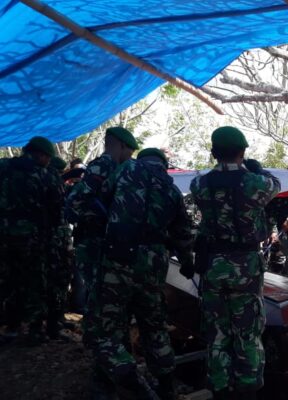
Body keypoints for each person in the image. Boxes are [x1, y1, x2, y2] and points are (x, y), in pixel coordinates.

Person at [89, 148, 194, 399]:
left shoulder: (126, 169)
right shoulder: (171, 189)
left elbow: (100, 198)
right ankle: (166, 385)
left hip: (118, 257)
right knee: (154, 324)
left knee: (108, 325)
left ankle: (121, 380)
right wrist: (187, 263)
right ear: (163, 165)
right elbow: (183, 234)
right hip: (153, 263)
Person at [190, 126, 280, 399]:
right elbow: (275, 185)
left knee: (217, 332)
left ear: (214, 152)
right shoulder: (254, 183)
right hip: (245, 266)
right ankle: (247, 389)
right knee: (248, 331)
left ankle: (220, 389)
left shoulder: (199, 184)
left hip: (213, 265)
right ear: (242, 152)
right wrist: (258, 169)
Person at [65, 126, 137, 324]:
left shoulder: (115, 167)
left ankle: (97, 329)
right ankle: (94, 331)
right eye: (130, 151)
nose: (130, 156)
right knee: (97, 291)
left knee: (104, 292)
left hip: (104, 239)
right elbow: (78, 200)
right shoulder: (103, 165)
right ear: (121, 146)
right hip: (94, 238)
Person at [0, 136, 62, 345]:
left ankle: (12, 326)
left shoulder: (4, 167)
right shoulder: (45, 175)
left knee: (9, 280)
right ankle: (35, 329)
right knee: (35, 282)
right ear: (41, 155)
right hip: (33, 238)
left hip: (4, 236)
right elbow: (56, 208)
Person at [45, 156, 74, 340]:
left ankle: (58, 318)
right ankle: (53, 325)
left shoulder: (57, 186)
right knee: (55, 282)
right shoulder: (49, 187)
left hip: (60, 240)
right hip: (53, 243)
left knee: (61, 280)